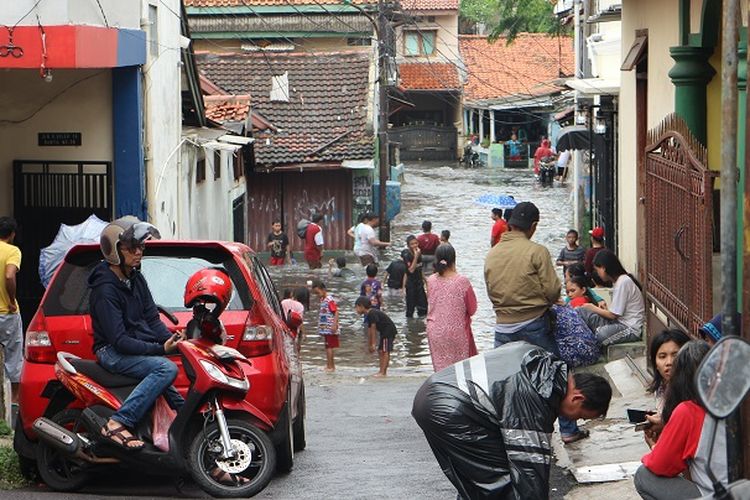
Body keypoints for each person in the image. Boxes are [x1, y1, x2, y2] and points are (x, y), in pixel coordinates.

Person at [413, 342, 612, 499]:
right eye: (580, 416)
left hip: (438, 394)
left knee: (479, 480)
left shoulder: (543, 365)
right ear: (577, 398)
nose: (573, 419)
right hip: (451, 409)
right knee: (497, 482)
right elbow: (530, 468)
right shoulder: (535, 397)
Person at [89, 216, 185, 450]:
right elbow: (119, 341)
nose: (138, 252)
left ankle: (195, 440)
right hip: (111, 352)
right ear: (114, 251)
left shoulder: (135, 279)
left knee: (179, 402)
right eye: (132, 247)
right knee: (165, 368)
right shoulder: (105, 290)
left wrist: (175, 340)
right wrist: (161, 349)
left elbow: (152, 319)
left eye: (141, 246)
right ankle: (118, 422)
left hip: (132, 346)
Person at [633, 341, 725, 500]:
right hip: (741, 489)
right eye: (662, 356)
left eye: (673, 357)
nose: (668, 363)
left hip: (717, 495)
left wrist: (655, 446)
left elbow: (660, 466)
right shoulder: (733, 400)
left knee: (644, 475)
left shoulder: (688, 410)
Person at [484, 201, 561, 352]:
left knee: (505, 373)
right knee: (553, 371)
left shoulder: (492, 254)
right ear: (533, 226)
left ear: (510, 224)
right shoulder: (538, 251)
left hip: (502, 327)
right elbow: (552, 291)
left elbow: (490, 291)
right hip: (534, 324)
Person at [425, 244, 477, 372]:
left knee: (442, 372)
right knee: (460, 372)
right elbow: (472, 309)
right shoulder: (462, 281)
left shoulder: (430, 280)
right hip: (456, 332)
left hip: (435, 331)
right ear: (454, 259)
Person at [577, 250, 645, 347]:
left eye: (598, 270)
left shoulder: (623, 282)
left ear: (604, 268)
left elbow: (613, 315)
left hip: (630, 328)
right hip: (618, 322)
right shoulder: (618, 282)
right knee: (581, 311)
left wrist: (593, 308)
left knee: (601, 334)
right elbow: (614, 313)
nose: (598, 274)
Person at [641, 329, 692, 445]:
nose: (669, 362)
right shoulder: (660, 390)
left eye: (675, 355)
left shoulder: (693, 393)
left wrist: (666, 426)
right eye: (662, 356)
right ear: (655, 364)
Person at [0, 217, 22, 405]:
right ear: (12, 234)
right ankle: (15, 401)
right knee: (14, 356)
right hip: (7, 312)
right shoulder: (13, 251)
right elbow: (9, 275)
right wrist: (12, 300)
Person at [355, 296, 397, 377]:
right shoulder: (369, 314)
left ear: (362, 306)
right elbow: (370, 330)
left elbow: (373, 329)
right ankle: (381, 370)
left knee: (385, 351)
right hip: (384, 332)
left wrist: (373, 344)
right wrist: (370, 344)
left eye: (356, 307)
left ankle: (383, 372)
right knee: (381, 351)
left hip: (388, 332)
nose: (356, 310)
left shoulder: (372, 313)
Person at [311, 279, 339, 372]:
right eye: (315, 293)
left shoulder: (329, 300)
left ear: (323, 289)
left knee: (329, 347)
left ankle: (331, 366)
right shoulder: (323, 299)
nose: (317, 295)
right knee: (327, 346)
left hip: (330, 327)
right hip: (326, 327)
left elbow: (335, 312)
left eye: (318, 292)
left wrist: (334, 324)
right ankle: (329, 365)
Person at [402, 236, 427, 318]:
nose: (415, 245)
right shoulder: (407, 255)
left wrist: (426, 281)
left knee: (423, 307)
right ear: (408, 245)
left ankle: (422, 327)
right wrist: (415, 257)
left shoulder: (419, 254)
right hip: (411, 284)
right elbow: (410, 270)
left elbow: (420, 269)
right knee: (410, 309)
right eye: (412, 244)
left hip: (419, 283)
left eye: (416, 243)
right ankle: (410, 328)